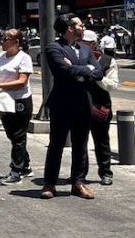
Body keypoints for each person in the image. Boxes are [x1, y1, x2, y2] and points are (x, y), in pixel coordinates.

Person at [41, 14, 104, 200]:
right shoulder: (54, 48)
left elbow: (99, 72)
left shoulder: (85, 49)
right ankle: (49, 184)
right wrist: (86, 70)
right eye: (79, 24)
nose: (83, 26)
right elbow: (62, 71)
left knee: (81, 145)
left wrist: (82, 70)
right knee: (56, 145)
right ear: (69, 28)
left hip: (83, 104)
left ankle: (78, 183)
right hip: (62, 104)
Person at [0, 29, 34, 185]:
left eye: (6, 39)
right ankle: (25, 165)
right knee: (12, 135)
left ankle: (16, 171)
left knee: (19, 136)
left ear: (16, 42)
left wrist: (0, 85)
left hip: (20, 100)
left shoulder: (24, 58)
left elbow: (22, 81)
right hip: (3, 100)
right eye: (2, 38)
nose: (2, 41)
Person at [82, 30, 120, 186]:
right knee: (80, 142)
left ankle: (105, 172)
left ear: (93, 44)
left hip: (100, 106)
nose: (81, 45)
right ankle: (79, 174)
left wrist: (98, 78)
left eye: (85, 42)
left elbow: (112, 84)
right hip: (80, 105)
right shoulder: (75, 58)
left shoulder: (107, 61)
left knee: (101, 140)